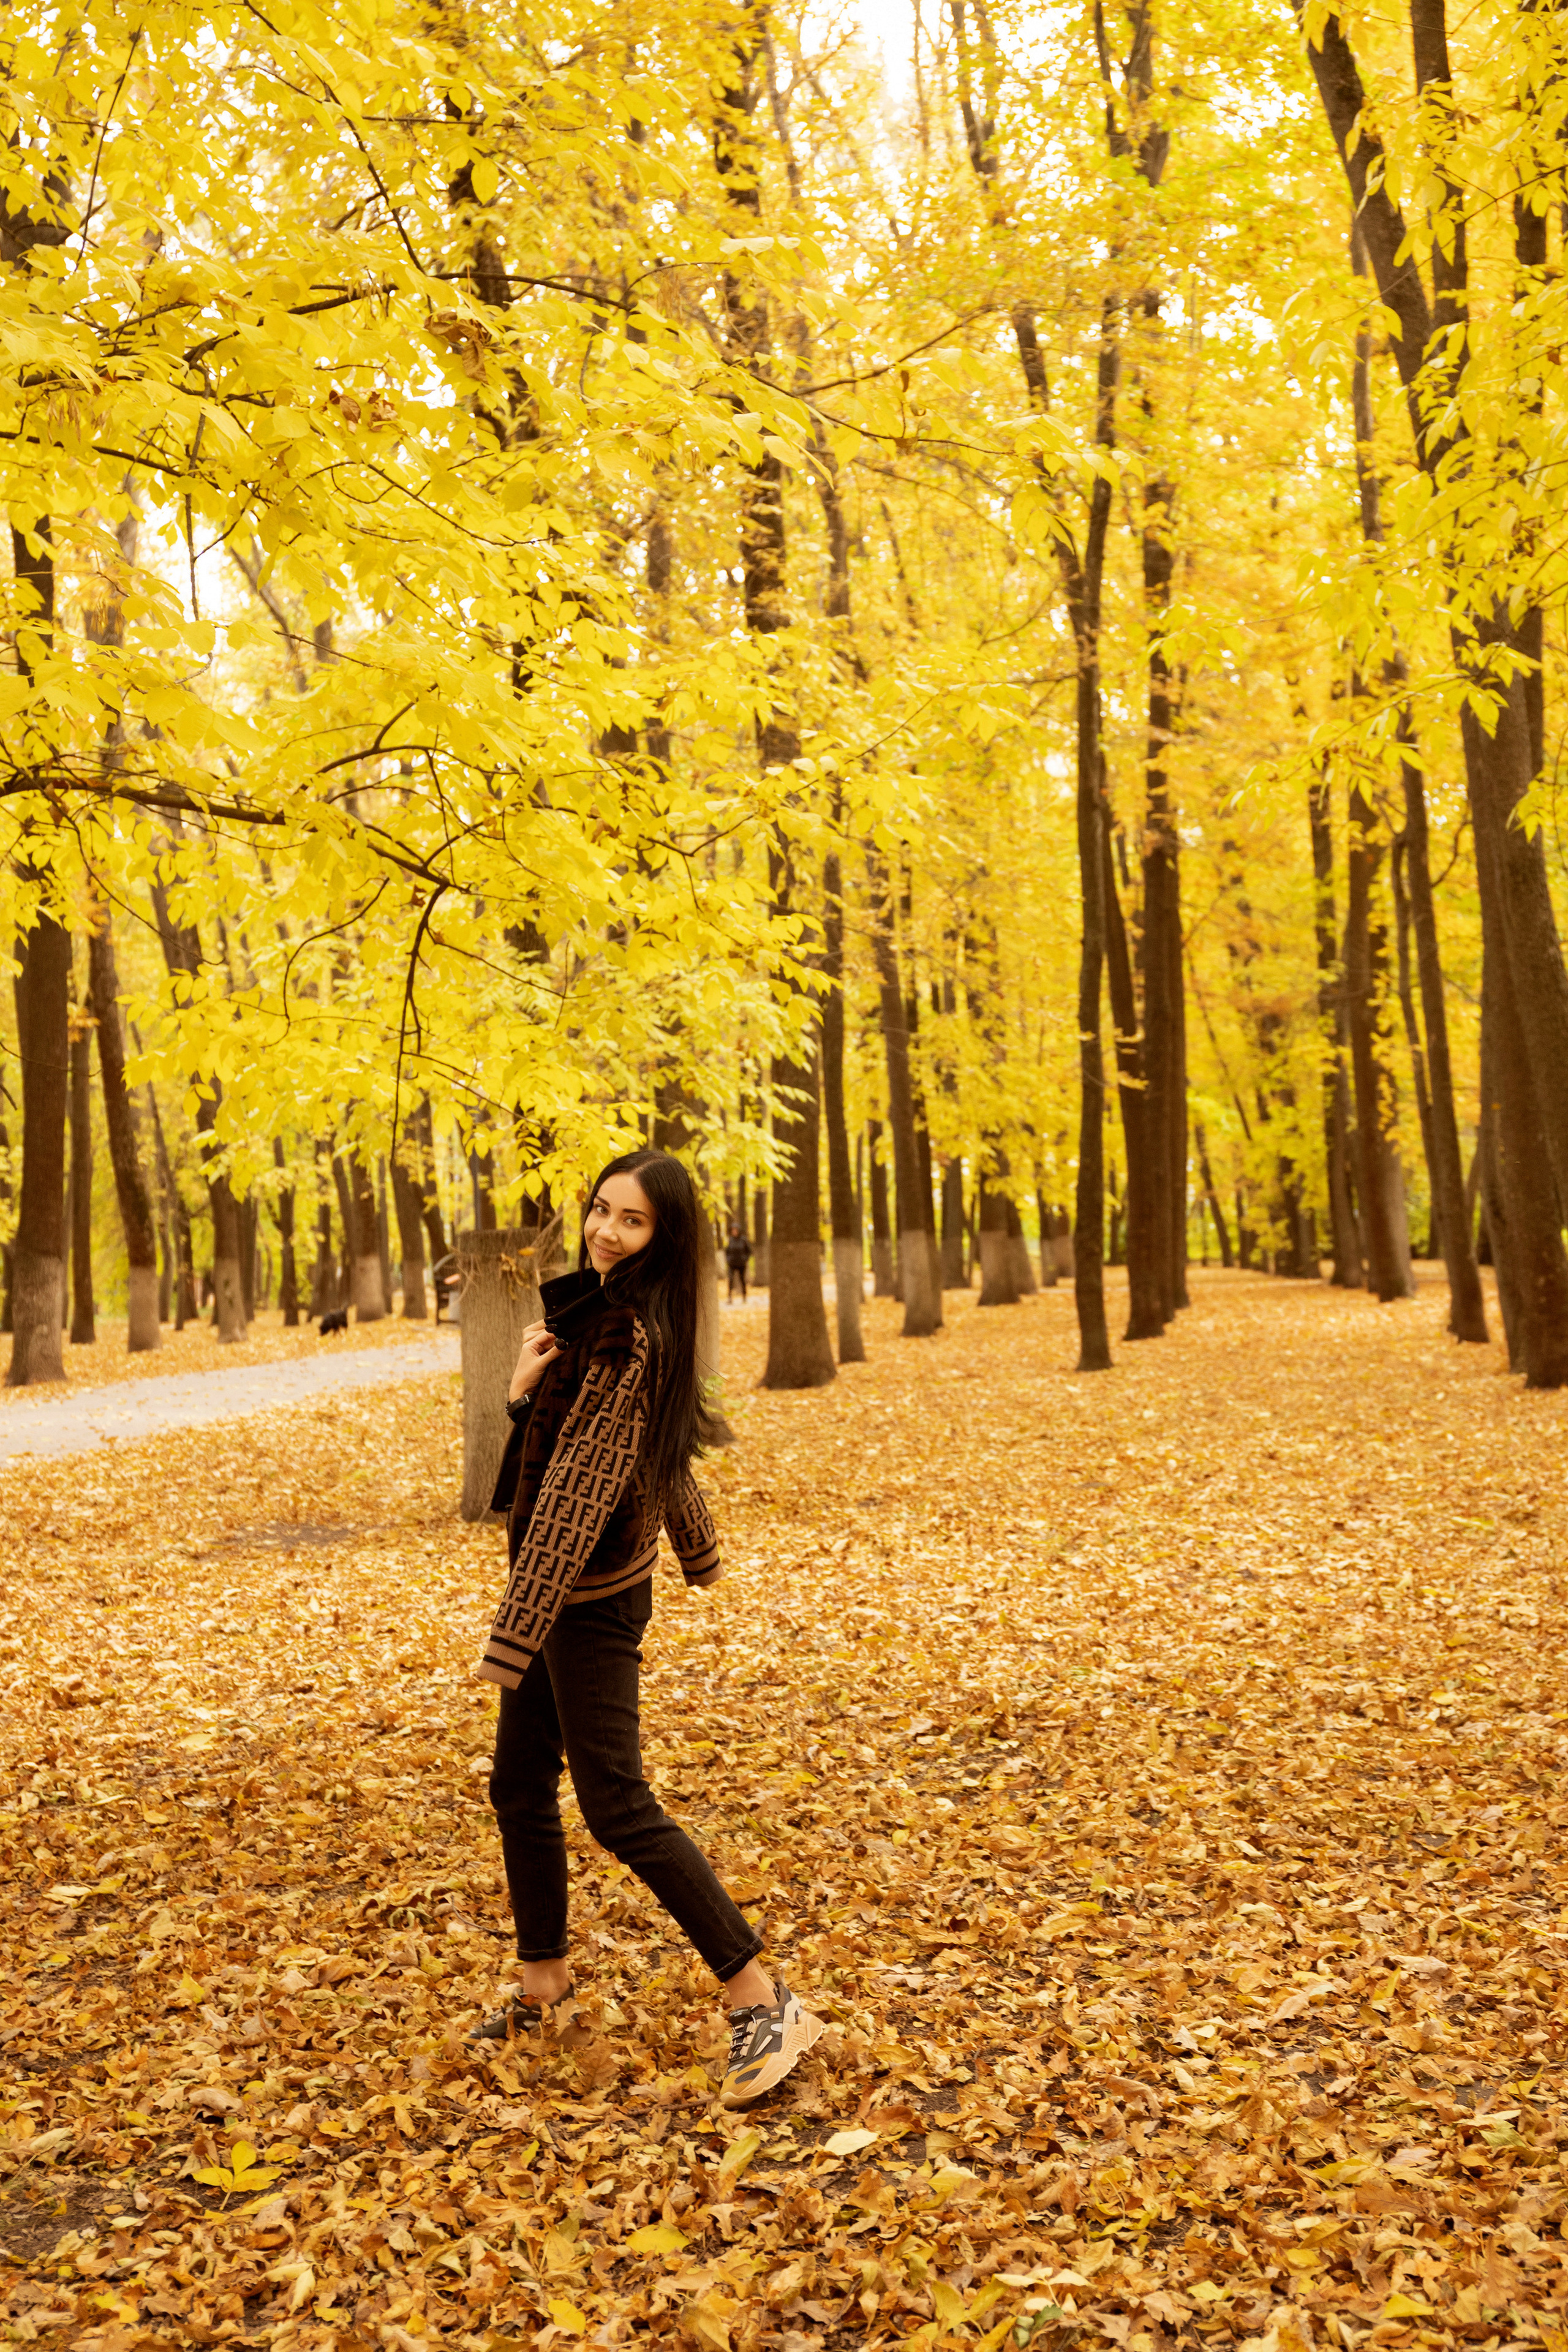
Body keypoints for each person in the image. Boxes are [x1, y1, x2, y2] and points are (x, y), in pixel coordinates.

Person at [472, 1148, 822, 2108]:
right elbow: (653, 1458)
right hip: (571, 1594)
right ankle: (543, 1982)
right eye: (600, 1210)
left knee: (618, 1804)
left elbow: (582, 1489)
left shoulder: (629, 1337)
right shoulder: (613, 1318)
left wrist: (517, 1629)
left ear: (662, 1239)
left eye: (630, 1222)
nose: (604, 1231)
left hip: (579, 1602)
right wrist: (520, 1392)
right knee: (517, 1786)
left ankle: (759, 1995)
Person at [724, 1220, 753, 1303]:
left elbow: (749, 1251)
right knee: (731, 1280)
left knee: (742, 1280)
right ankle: (730, 1297)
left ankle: (744, 1297)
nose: (734, 1232)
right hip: (732, 1264)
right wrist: (728, 1259)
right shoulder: (730, 1240)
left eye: (736, 1230)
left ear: (739, 1231)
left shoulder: (744, 1240)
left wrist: (745, 1259)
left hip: (741, 1264)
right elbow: (727, 1251)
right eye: (733, 1230)